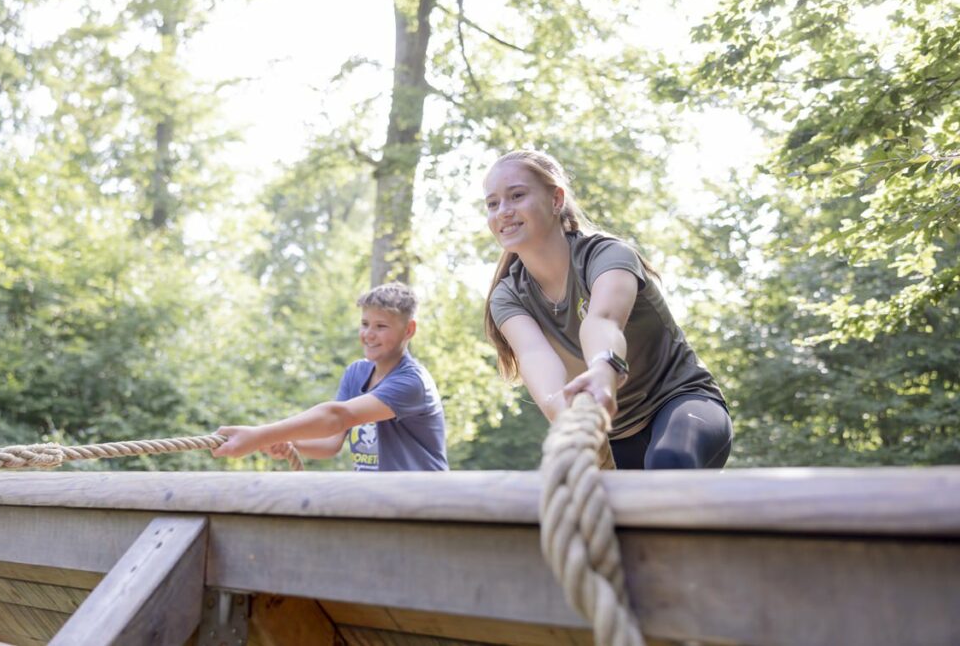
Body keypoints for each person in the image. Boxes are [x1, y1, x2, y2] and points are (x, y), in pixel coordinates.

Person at [483, 150, 732, 469]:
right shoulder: (507, 296)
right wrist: (573, 424)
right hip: (611, 432)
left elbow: (603, 321)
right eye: (492, 203)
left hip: (681, 404)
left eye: (516, 195)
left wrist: (604, 369)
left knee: (669, 461)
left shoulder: (607, 256)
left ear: (556, 199)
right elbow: (538, 362)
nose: (503, 211)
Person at [212, 282, 449, 471]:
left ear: (409, 330)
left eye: (381, 326)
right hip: (378, 501)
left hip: (423, 501)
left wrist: (258, 434)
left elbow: (337, 417)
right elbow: (331, 442)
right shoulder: (356, 373)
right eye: (365, 323)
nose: (369, 334)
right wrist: (290, 443)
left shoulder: (412, 382)